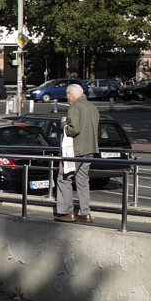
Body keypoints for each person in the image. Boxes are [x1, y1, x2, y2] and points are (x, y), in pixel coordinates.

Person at [54, 83, 99, 223]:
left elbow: (73, 129)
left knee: (64, 178)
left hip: (75, 150)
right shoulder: (93, 107)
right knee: (82, 180)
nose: (67, 99)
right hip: (90, 149)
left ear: (72, 95)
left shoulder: (75, 107)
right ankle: (85, 213)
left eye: (68, 96)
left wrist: (64, 124)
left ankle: (66, 212)